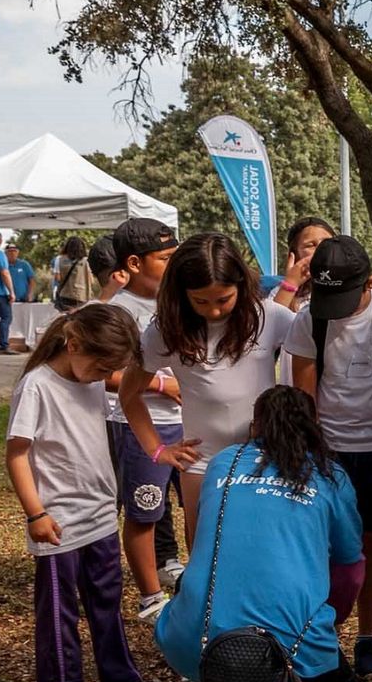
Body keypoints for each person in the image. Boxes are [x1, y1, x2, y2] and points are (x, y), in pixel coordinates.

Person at [154, 386, 363, 682]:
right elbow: (350, 565)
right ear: (315, 425)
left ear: (255, 427)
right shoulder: (330, 476)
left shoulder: (223, 462)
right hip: (291, 636)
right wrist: (333, 615)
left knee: (204, 593)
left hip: (192, 637)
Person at [3, 303, 170, 682]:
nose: (105, 375)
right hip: (57, 522)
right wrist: (35, 514)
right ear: (73, 344)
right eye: (101, 366)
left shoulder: (92, 378)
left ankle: (120, 681)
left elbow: (128, 387)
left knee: (107, 601)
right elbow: (17, 455)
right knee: (59, 608)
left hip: (98, 514)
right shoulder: (37, 386)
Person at [119, 232, 296, 551]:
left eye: (223, 300)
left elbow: (310, 357)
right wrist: (158, 450)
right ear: (181, 293)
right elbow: (129, 395)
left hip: (264, 456)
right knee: (204, 549)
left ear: (241, 287)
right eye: (200, 301)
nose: (213, 311)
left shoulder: (270, 316)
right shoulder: (165, 330)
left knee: (259, 547)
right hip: (201, 461)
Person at [284, 236, 372, 679]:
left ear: (369, 283)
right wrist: (310, 450)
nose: (331, 307)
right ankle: (322, 638)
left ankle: (367, 636)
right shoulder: (308, 320)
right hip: (328, 449)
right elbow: (305, 391)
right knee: (320, 546)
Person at [103, 219, 186, 622]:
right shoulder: (118, 311)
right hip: (140, 426)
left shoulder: (182, 301)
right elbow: (103, 373)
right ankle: (151, 597)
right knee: (144, 511)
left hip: (189, 424)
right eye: (165, 259)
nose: (174, 265)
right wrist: (160, 385)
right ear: (134, 263)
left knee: (199, 508)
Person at [272, 216, 337, 311]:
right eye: (310, 245)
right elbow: (271, 322)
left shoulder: (355, 283)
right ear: (294, 255)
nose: (321, 248)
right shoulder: (279, 293)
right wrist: (290, 285)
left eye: (327, 242)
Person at [54, 237, 96, 312]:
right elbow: (91, 281)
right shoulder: (86, 261)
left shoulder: (59, 259)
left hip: (65, 295)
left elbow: (57, 278)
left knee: (67, 318)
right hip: (82, 296)